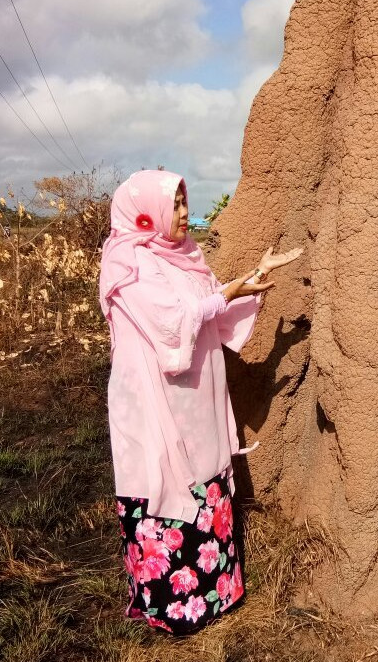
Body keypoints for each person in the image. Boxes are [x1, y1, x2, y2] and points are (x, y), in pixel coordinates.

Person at [98, 169, 301, 634]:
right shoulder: (128, 263)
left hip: (198, 399)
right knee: (161, 474)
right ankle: (171, 606)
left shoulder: (187, 255)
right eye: (177, 205)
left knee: (204, 470)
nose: (186, 214)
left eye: (187, 203)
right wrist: (229, 291)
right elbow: (174, 321)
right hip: (155, 402)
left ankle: (216, 592)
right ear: (148, 213)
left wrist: (251, 280)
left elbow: (207, 308)